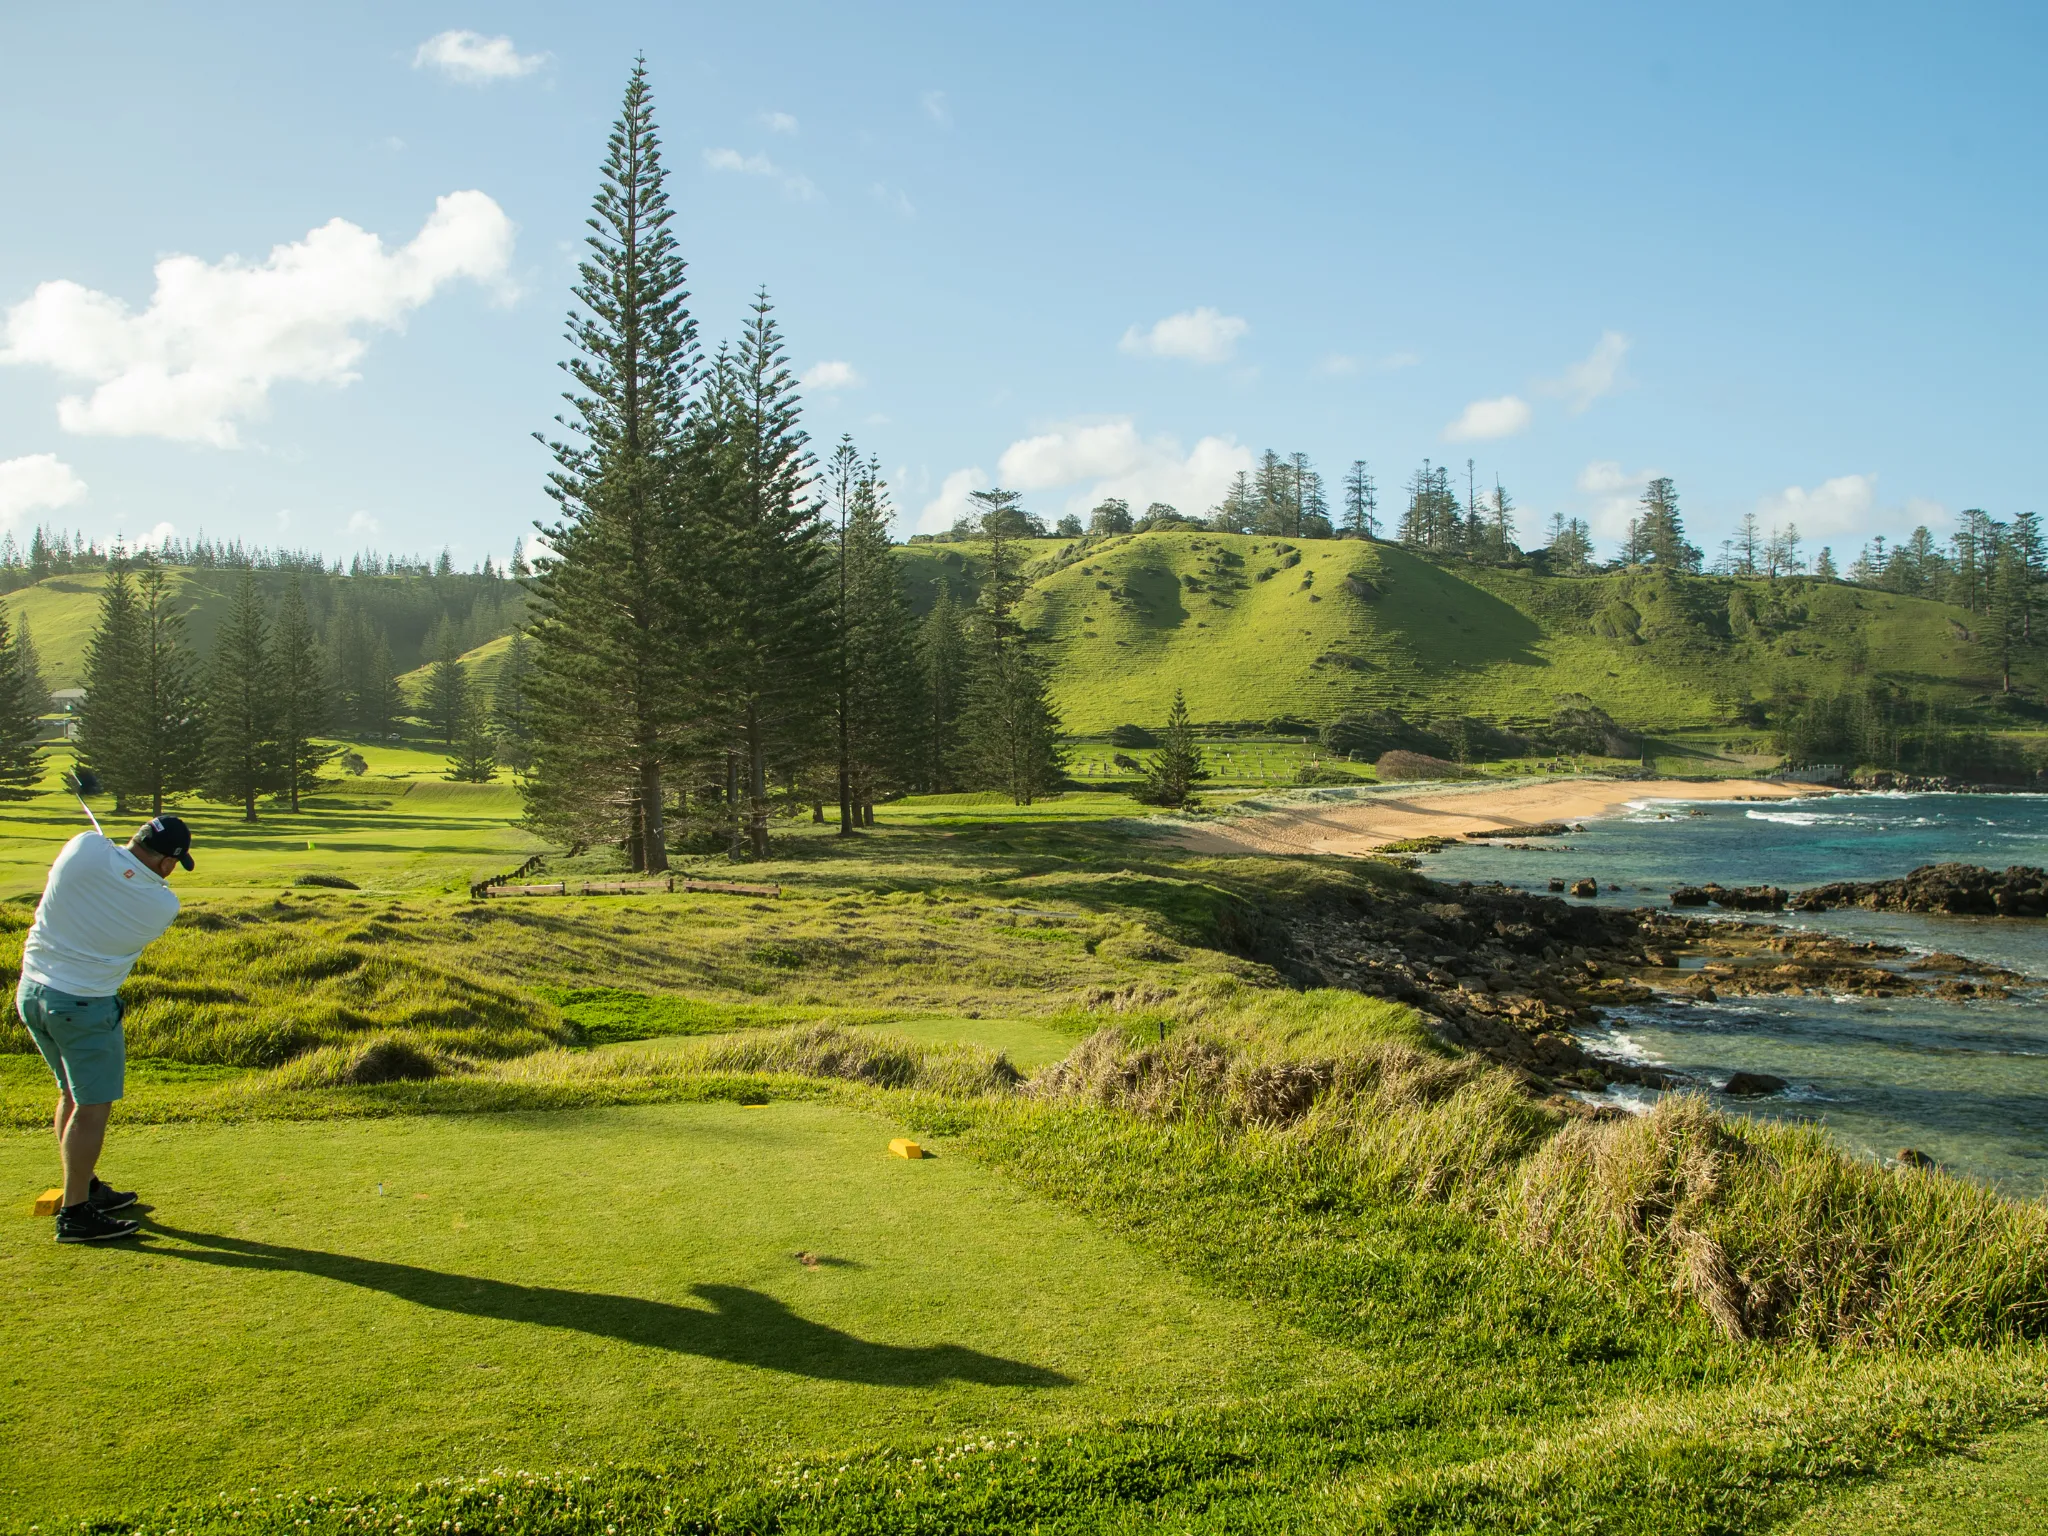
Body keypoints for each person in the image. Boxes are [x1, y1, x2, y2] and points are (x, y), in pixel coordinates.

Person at [16, 814, 192, 1243]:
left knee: (71, 1094)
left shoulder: (82, 848)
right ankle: (76, 1213)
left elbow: (102, 845)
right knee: (92, 1108)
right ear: (168, 863)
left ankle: (87, 1185)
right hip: (85, 1007)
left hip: (33, 993)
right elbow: (130, 875)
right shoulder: (163, 906)